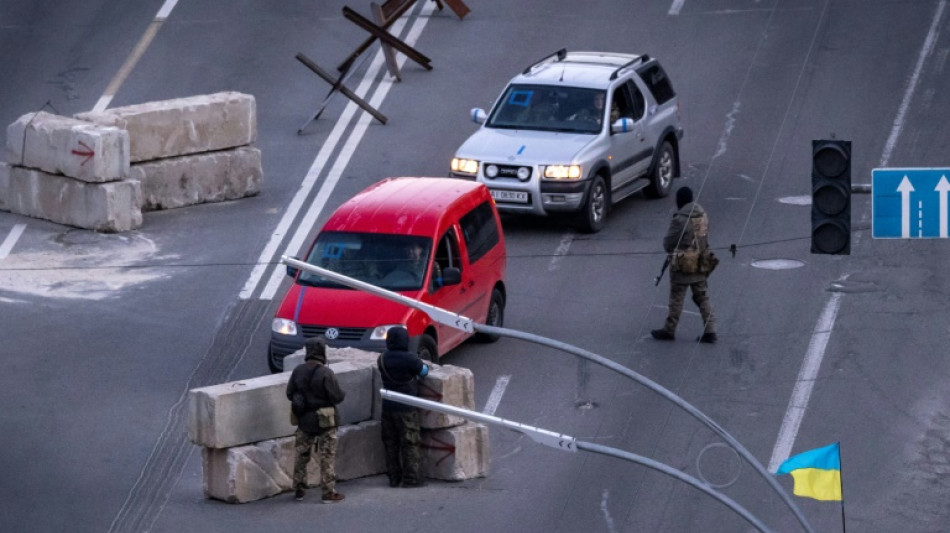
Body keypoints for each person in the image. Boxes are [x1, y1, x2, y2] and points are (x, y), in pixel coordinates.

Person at [651, 186, 718, 344]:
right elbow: (704, 238)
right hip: (701, 261)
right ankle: (710, 329)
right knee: (702, 296)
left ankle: (669, 329)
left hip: (683, 264)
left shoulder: (680, 220)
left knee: (677, 297)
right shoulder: (702, 214)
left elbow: (669, 243)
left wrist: (675, 251)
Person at [286, 336, 346, 502]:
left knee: (301, 456)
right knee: (327, 457)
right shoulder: (326, 373)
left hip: (304, 419)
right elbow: (337, 397)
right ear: (322, 352)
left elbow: (289, 393)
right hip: (325, 421)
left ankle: (299, 489)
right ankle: (328, 492)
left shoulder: (298, 371)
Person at [378, 326, 430, 488]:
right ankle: (411, 479)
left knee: (390, 443)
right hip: (407, 408)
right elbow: (424, 372)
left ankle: (394, 478)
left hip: (388, 407)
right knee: (410, 443)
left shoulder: (382, 358)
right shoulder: (409, 359)